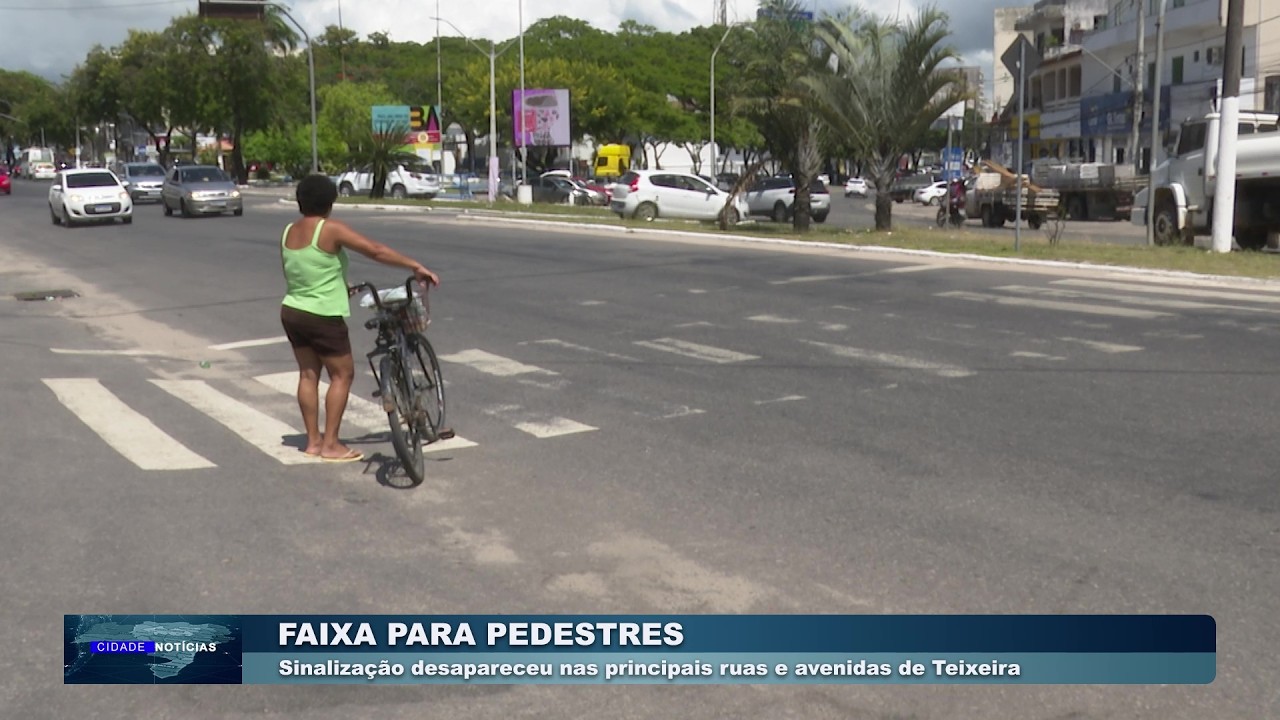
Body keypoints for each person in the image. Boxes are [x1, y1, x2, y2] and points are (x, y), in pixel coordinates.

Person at [280, 174, 440, 462]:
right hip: (323, 315)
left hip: (293, 311)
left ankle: (313, 442)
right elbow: (375, 251)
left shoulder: (289, 231)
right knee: (342, 375)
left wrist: (341, 286)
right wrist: (414, 265)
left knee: (308, 375)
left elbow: (303, 270)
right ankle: (331, 444)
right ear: (330, 202)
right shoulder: (329, 229)